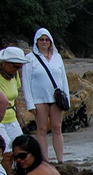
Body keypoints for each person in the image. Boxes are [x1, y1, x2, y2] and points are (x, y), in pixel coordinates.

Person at [22, 28, 68, 163]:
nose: (44, 42)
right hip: (39, 99)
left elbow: (63, 79)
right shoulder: (29, 59)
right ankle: (44, 160)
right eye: (41, 39)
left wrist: (67, 99)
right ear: (36, 42)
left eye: (46, 39)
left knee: (57, 128)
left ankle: (61, 159)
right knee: (41, 129)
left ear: (50, 41)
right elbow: (26, 82)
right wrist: (29, 103)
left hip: (56, 99)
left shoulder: (57, 57)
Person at [0, 47, 27, 168]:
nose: (18, 70)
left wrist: (18, 115)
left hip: (12, 117)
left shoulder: (14, 76)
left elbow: (15, 97)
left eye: (20, 67)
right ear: (4, 63)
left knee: (22, 148)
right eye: (15, 66)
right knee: (7, 152)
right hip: (1, 119)